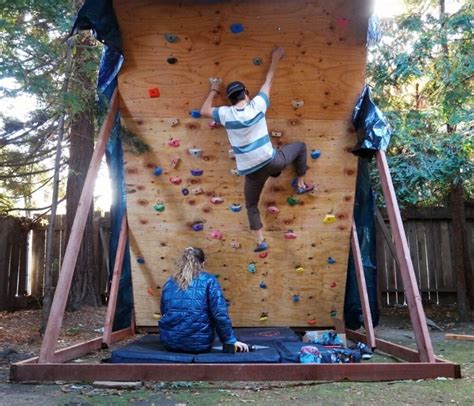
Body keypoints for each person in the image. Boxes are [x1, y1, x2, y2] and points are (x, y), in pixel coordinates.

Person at [200, 47, 313, 252]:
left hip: (252, 172)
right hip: (272, 161)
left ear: (230, 99)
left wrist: (214, 89)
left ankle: (260, 241)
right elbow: (268, 81)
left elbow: (203, 111)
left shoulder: (226, 114)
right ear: (247, 94)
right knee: (300, 147)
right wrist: (275, 58)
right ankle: (302, 184)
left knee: (252, 205)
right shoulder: (258, 106)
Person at [159, 247, 249, 353]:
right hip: (199, 345)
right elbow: (219, 314)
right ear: (203, 263)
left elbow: (164, 311)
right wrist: (230, 340)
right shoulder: (209, 281)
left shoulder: (169, 282)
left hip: (170, 344)